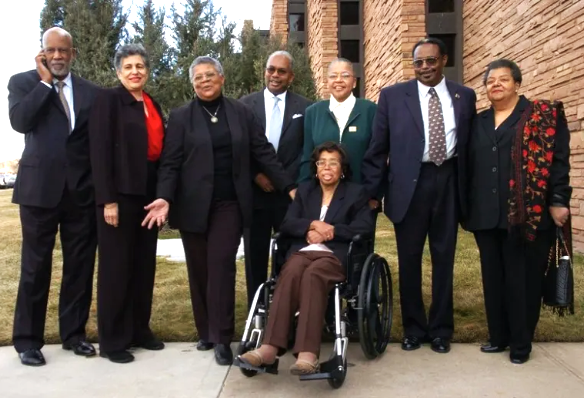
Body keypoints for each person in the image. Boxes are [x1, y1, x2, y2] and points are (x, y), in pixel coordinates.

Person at [141, 56, 296, 366]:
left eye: (209, 75)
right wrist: (164, 197)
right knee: (199, 270)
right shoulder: (182, 116)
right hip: (192, 205)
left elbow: (262, 150)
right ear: (192, 83)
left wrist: (288, 186)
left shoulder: (241, 112)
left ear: (222, 78)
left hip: (230, 204)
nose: (204, 81)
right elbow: (170, 163)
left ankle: (222, 338)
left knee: (222, 265)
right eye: (197, 77)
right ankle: (206, 331)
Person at [362, 37, 477, 354]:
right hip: (408, 185)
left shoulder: (465, 96)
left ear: (443, 60)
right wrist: (374, 192)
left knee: (444, 258)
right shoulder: (392, 97)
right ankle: (413, 328)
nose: (424, 67)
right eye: (418, 62)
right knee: (409, 259)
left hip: (449, 181)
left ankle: (440, 330)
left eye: (431, 60)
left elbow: (470, 148)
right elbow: (377, 148)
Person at [463, 59, 571, 364]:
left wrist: (559, 199)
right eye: (490, 81)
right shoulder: (478, 121)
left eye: (503, 79)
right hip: (486, 214)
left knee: (523, 279)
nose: (496, 84)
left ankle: (521, 344)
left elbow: (559, 161)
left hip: (528, 214)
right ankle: (498, 337)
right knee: (493, 278)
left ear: (517, 84)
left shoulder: (541, 117)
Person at [238, 142, 373, 374]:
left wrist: (332, 230)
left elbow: (364, 226)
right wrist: (311, 225)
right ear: (316, 167)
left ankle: (307, 354)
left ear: (342, 169)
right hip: (303, 251)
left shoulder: (355, 193)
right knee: (289, 272)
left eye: (333, 163)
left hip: (333, 255)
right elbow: (288, 223)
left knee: (313, 275)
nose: (327, 167)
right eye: (322, 162)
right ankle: (269, 348)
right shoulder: (305, 191)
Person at [7, 27, 99, 366]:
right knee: (36, 266)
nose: (58, 56)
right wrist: (45, 83)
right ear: (42, 52)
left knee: (80, 266)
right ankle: (28, 341)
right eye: (52, 50)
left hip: (80, 193)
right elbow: (20, 121)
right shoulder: (23, 83)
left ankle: (74, 334)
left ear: (73, 53)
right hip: (38, 191)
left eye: (64, 50)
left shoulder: (91, 92)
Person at [89, 44, 166, 364]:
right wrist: (107, 200)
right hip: (119, 196)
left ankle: (139, 329)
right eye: (128, 66)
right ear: (118, 71)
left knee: (143, 265)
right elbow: (100, 151)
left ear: (147, 71)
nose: (135, 71)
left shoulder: (151, 102)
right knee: (116, 268)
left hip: (148, 197)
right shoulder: (107, 100)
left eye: (140, 66)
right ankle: (112, 339)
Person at [239, 51, 312, 310]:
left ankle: (284, 310)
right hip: (255, 193)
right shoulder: (245, 105)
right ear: (265, 71)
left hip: (288, 196)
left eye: (282, 71)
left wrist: (288, 183)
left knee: (288, 256)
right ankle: (256, 310)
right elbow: (239, 149)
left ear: (291, 76)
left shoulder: (305, 108)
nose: (275, 75)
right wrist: (256, 175)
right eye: (271, 69)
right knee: (255, 257)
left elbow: (307, 150)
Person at [298, 58, 377, 190]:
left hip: (361, 194)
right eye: (333, 76)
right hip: (322, 194)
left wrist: (374, 195)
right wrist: (304, 191)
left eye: (345, 75)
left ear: (354, 82)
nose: (338, 80)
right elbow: (307, 157)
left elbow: (377, 156)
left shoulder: (370, 110)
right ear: (327, 82)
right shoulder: (313, 112)